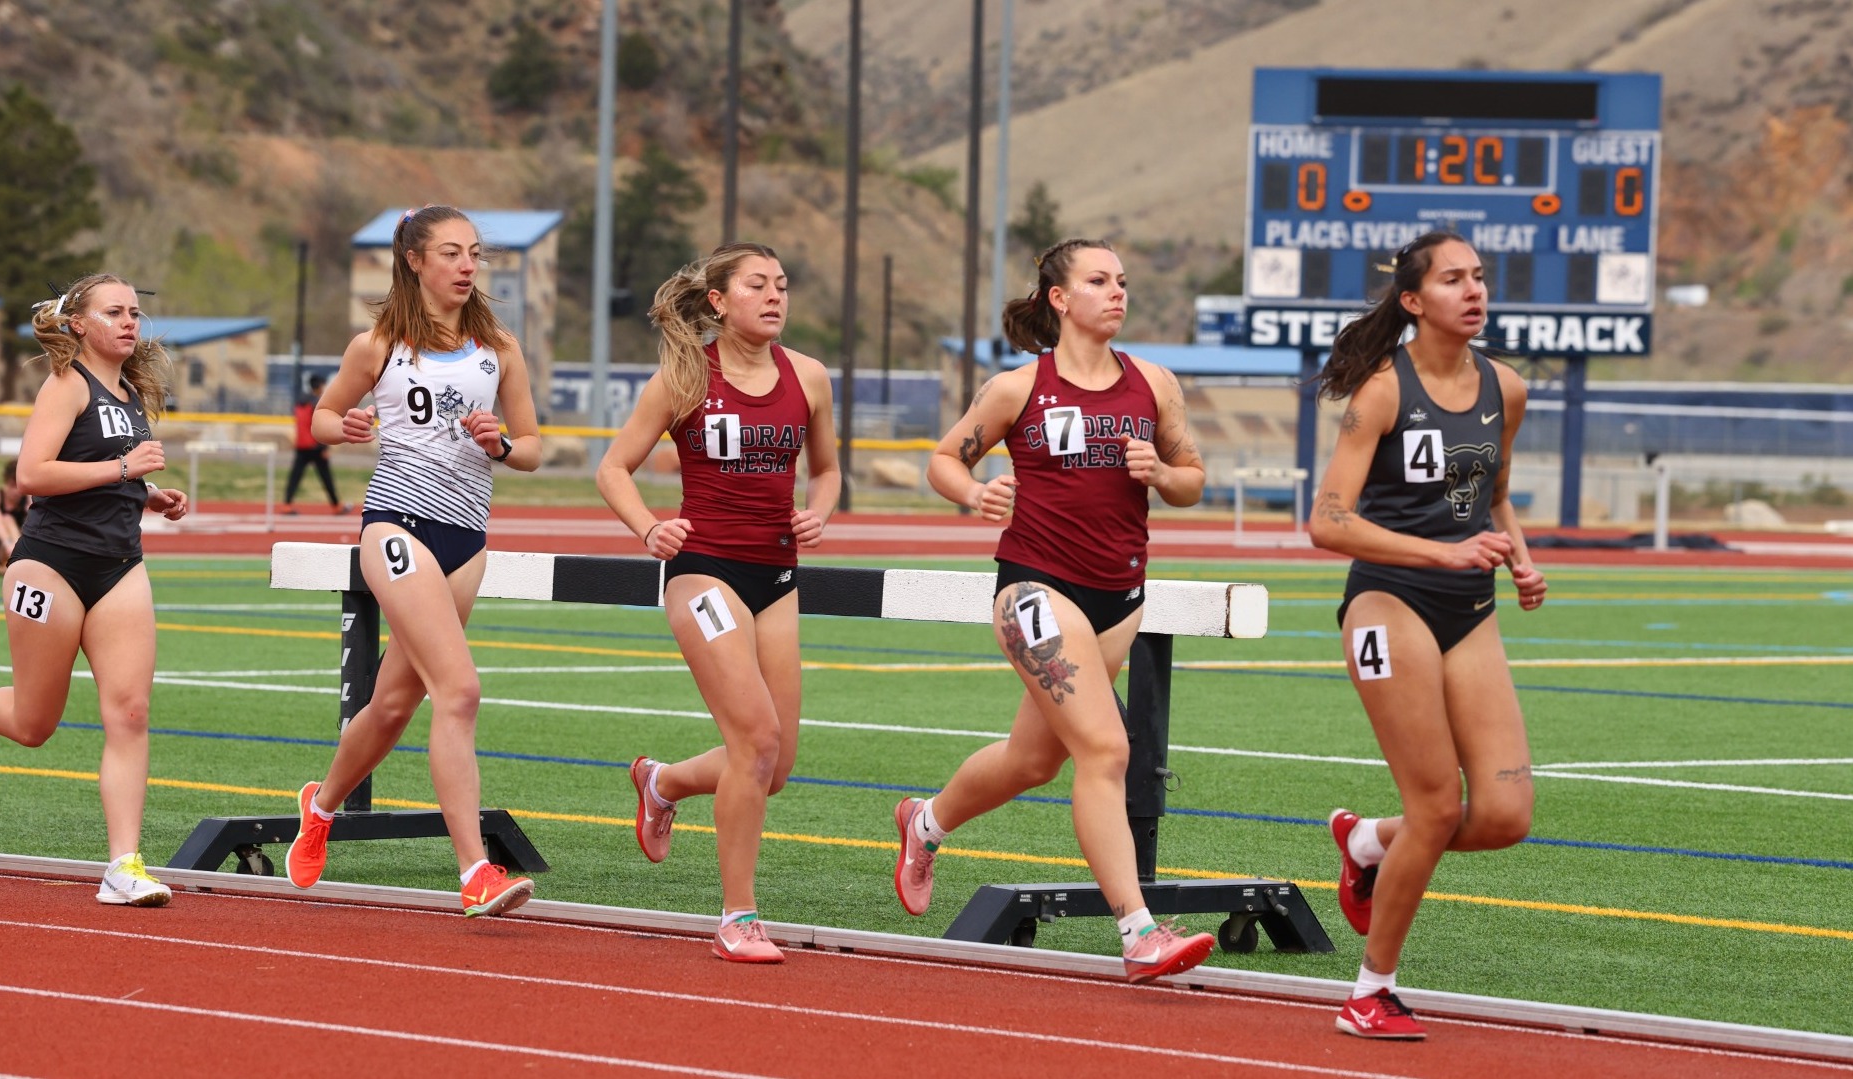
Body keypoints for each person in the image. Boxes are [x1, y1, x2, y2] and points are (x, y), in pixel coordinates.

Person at [892, 239, 1216, 983]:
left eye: (1123, 281)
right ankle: (1138, 932)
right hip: (1035, 587)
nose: (1117, 292)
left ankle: (926, 820)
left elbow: (1194, 479)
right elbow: (945, 458)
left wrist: (1162, 473)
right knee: (1106, 750)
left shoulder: (1155, 384)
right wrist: (975, 493)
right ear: (1060, 299)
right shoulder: (1017, 387)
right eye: (1099, 281)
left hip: (1118, 597)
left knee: (1034, 759)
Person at [1308, 230, 1547, 1040]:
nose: (1474, 290)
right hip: (1389, 601)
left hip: (1468, 606)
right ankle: (1370, 991)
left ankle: (1368, 841)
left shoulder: (1505, 387)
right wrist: (1443, 551)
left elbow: (1495, 490)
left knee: (1508, 813)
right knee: (1439, 803)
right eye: (1454, 280)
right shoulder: (1381, 390)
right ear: (1414, 302)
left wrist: (1518, 554)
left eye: (1480, 277)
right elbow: (1327, 521)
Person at [282, 205, 543, 918]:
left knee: (396, 703)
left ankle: (322, 804)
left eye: (475, 253)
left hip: (465, 539)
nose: (467, 265)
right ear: (415, 260)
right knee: (459, 690)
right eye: (452, 252)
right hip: (396, 525)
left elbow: (532, 448)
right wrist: (349, 427)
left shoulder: (500, 348)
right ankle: (475, 871)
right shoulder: (378, 345)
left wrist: (498, 444)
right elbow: (325, 417)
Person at [597, 242, 840, 963]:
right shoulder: (684, 375)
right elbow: (613, 467)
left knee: (777, 761)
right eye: (757, 285)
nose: (774, 296)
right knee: (756, 740)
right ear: (718, 301)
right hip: (703, 571)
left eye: (782, 285)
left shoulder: (811, 377)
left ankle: (663, 781)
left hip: (777, 575)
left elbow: (826, 472)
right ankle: (738, 915)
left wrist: (818, 512)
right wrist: (649, 526)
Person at [0, 273, 191, 905]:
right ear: (79, 323)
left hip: (120, 565)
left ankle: (122, 867)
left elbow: (106, 476)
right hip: (49, 564)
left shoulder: (131, 392)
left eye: (135, 311)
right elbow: (32, 475)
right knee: (33, 723)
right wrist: (127, 467)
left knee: (130, 712)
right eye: (114, 312)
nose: (130, 321)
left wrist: (146, 494)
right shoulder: (66, 383)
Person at [282, 374, 351, 514]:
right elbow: (319, 425)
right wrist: (324, 447)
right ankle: (336, 506)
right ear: (319, 386)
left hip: (301, 445)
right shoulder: (317, 403)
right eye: (323, 385)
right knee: (326, 478)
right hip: (315, 446)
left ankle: (287, 504)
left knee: (295, 476)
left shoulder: (300, 402)